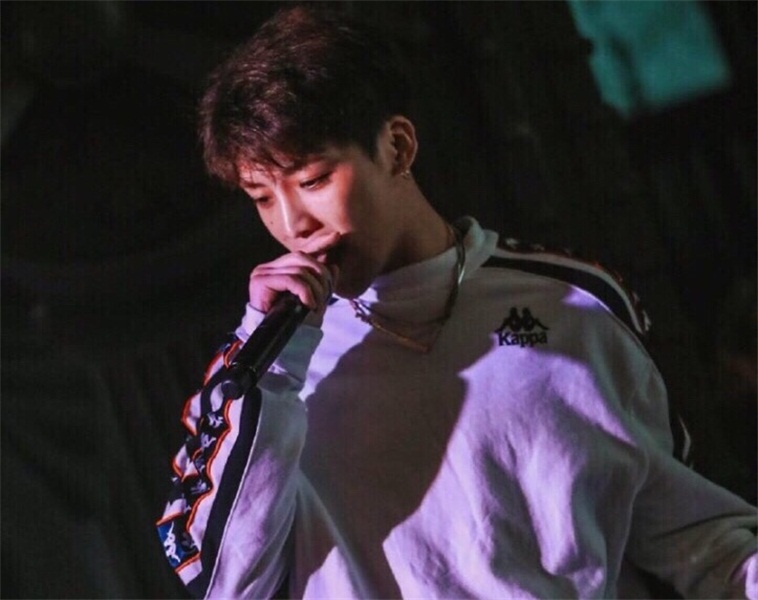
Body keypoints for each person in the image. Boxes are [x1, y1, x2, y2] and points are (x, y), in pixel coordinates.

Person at [156, 5, 757, 598]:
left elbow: (698, 540)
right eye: (262, 197)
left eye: (312, 180)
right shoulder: (260, 368)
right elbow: (221, 579)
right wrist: (271, 366)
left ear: (397, 147)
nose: (293, 224)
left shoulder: (571, 302)